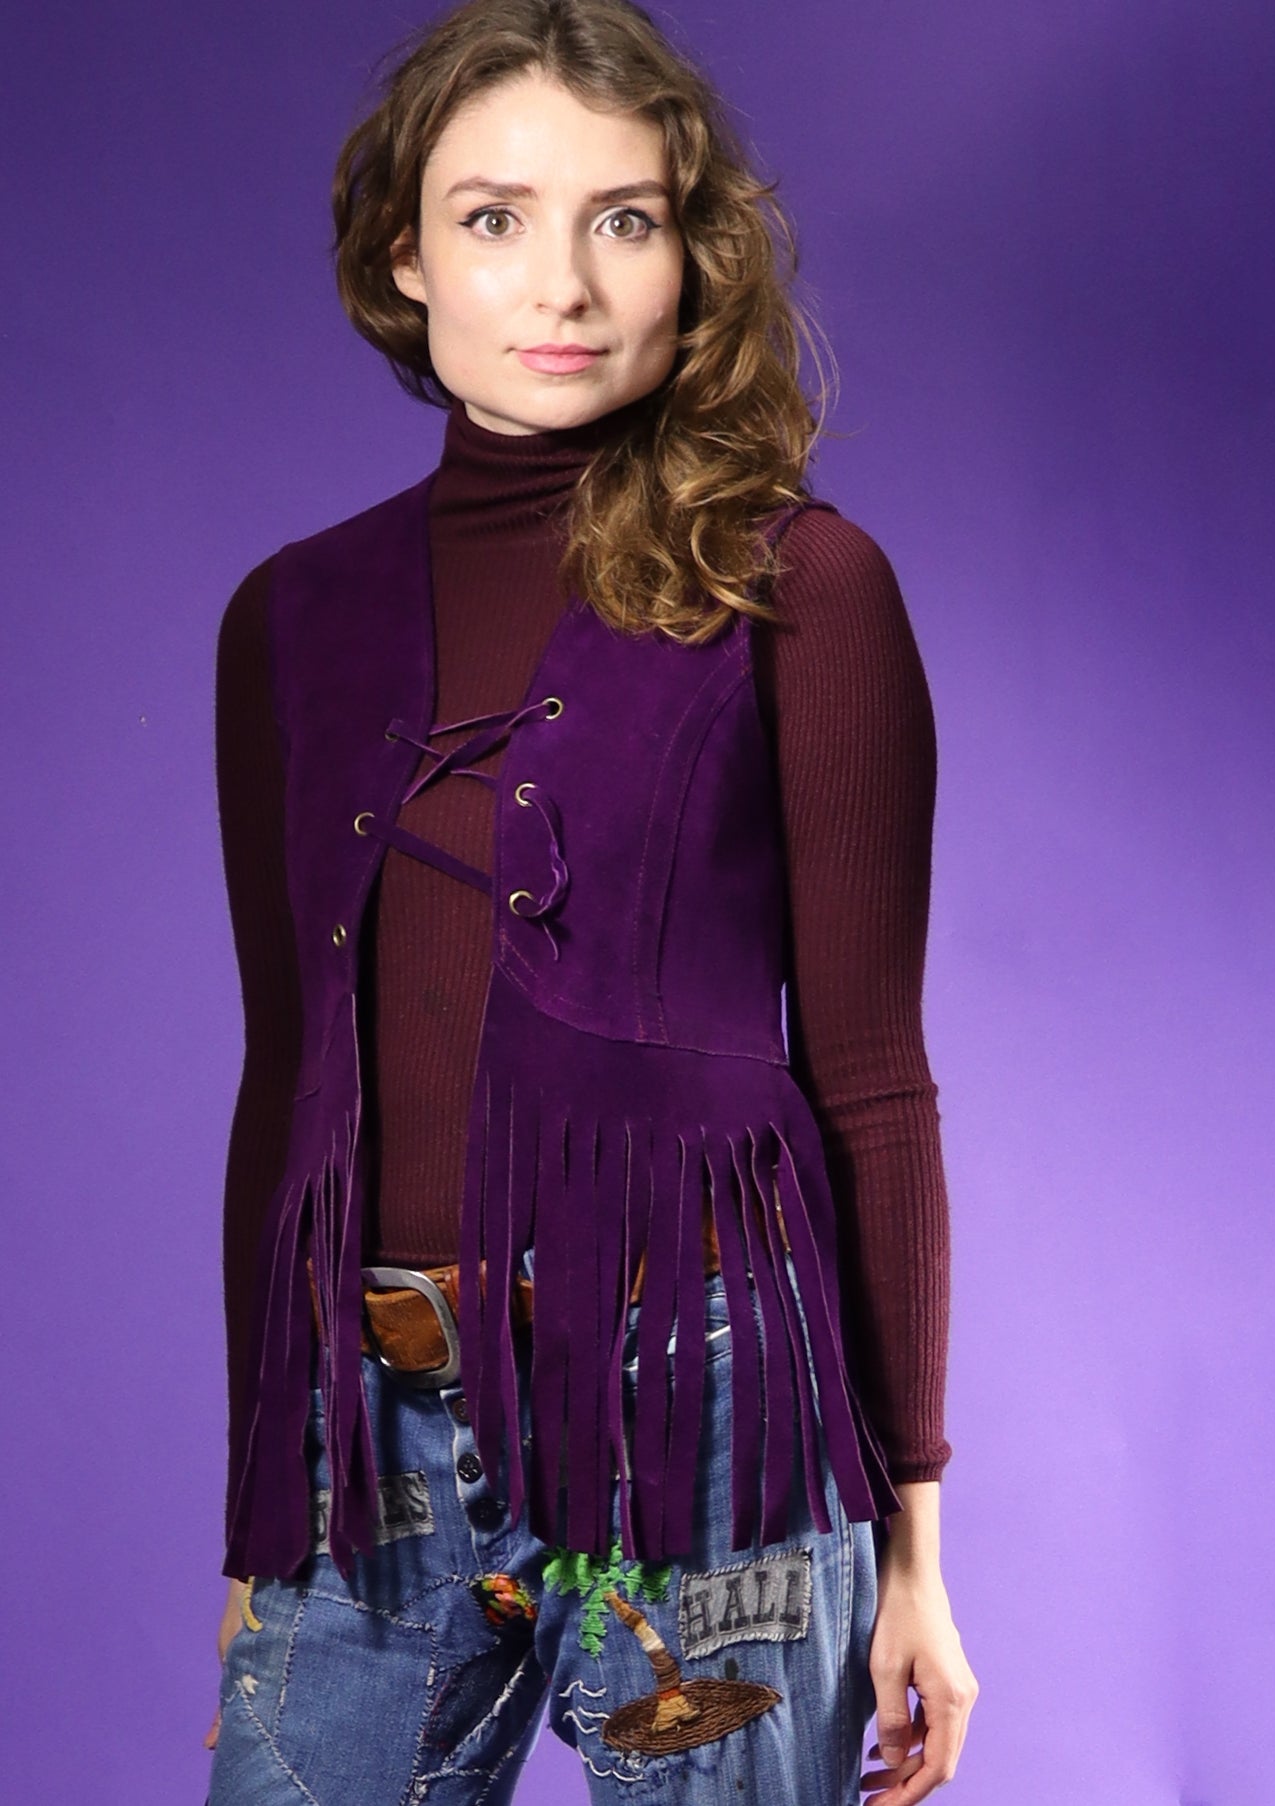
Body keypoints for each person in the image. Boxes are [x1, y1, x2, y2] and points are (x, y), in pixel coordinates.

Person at [204, 2, 978, 1800]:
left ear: (689, 257)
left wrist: (915, 1546)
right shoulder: (288, 618)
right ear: (404, 256)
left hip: (707, 1421)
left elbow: (872, 1079)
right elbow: (285, 1080)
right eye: (493, 218)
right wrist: (258, 1510)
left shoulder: (799, 583)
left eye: (621, 219)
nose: (560, 282)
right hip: (369, 1437)